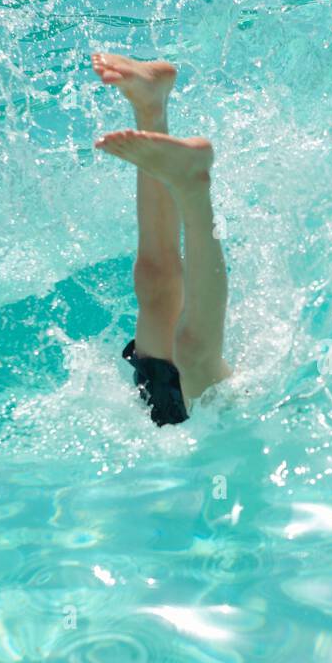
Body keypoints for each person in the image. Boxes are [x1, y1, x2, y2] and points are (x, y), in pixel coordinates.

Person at [91, 52, 232, 424]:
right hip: (221, 416)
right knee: (194, 352)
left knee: (154, 278)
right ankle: (192, 187)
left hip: (166, 411)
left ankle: (151, 108)